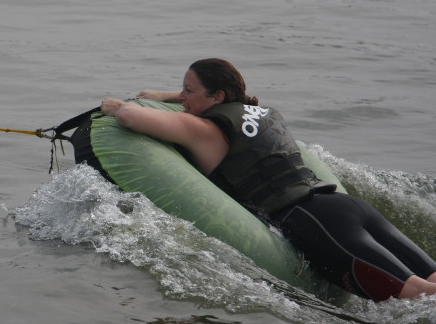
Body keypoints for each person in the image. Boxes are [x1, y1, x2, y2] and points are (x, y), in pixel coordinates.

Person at [99, 58, 436, 301]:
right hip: (344, 205)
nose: (182, 97)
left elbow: (130, 116)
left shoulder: (204, 130)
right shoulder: (264, 112)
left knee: (419, 295)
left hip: (312, 220)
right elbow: (223, 98)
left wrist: (115, 106)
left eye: (188, 91)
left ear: (217, 97)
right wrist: (167, 95)